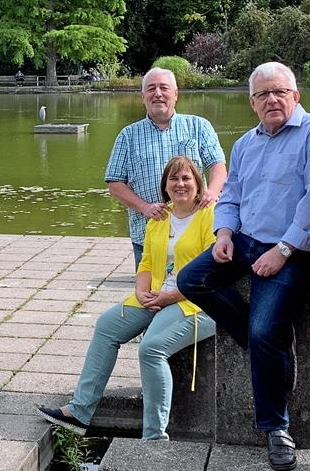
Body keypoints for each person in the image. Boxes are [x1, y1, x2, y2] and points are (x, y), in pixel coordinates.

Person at [177, 61, 310, 471]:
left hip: (301, 249)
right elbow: (231, 194)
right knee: (191, 279)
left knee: (266, 326)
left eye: (280, 92)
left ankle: (276, 426)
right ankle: (262, 346)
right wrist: (224, 234)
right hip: (247, 240)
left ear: (295, 96)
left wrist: (284, 250)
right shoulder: (246, 144)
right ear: (252, 102)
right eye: (263, 94)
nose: (272, 100)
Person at [38, 157, 218, 439]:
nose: (180, 184)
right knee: (106, 325)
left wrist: (169, 297)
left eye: (186, 178)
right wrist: (140, 292)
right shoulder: (159, 217)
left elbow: (213, 274)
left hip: (196, 301)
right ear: (165, 186)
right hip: (157, 294)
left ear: (198, 183)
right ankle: (79, 412)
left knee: (151, 349)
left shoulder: (211, 216)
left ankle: (154, 437)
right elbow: (146, 262)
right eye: (173, 179)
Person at [105, 68, 228, 267]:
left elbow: (218, 165)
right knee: (150, 291)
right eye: (151, 88)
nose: (158, 93)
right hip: (149, 232)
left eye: (164, 88)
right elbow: (115, 184)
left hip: (196, 231)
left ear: (176, 94)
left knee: (197, 292)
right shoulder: (128, 135)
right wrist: (145, 208)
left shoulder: (198, 126)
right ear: (143, 96)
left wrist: (213, 192)